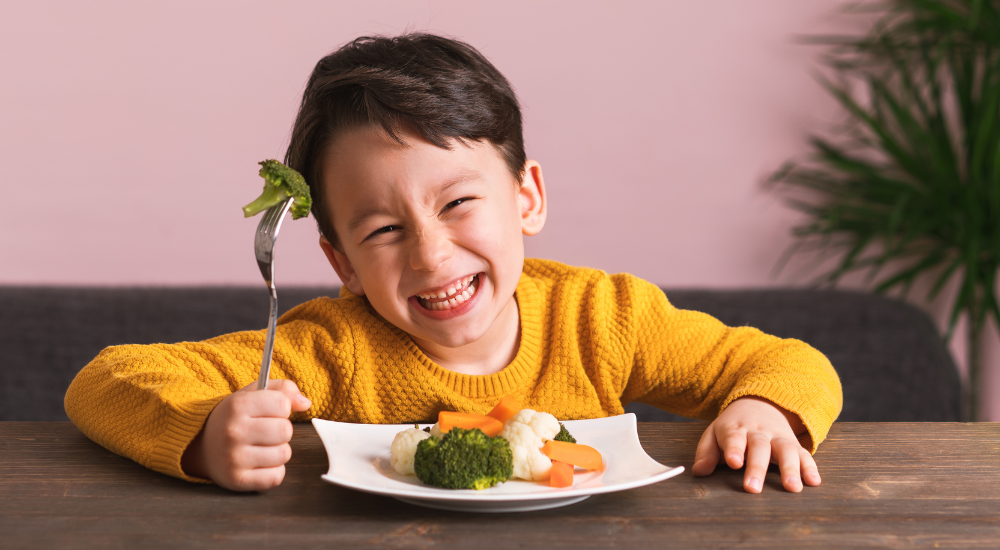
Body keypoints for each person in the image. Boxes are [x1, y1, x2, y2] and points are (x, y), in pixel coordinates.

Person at [65, 33, 842, 495]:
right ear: (339, 260)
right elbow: (103, 383)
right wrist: (204, 436)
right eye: (381, 230)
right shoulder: (326, 352)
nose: (432, 255)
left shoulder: (603, 318)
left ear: (527, 196)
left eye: (459, 204)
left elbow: (787, 361)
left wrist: (768, 410)